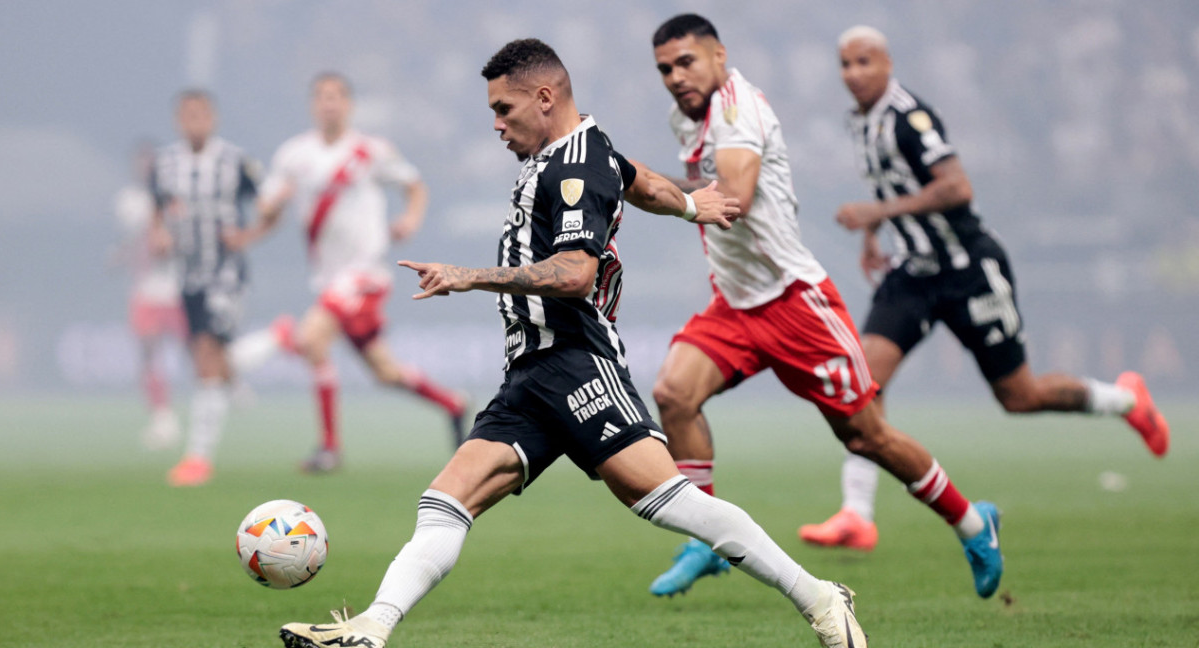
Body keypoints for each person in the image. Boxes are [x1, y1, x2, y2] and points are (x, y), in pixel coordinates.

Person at [277, 39, 866, 648]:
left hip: (576, 361)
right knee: (444, 501)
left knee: (669, 500)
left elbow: (577, 272)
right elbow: (641, 184)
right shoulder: (588, 149)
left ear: (544, 96)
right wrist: (691, 204)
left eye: (504, 110)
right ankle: (370, 630)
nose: (497, 125)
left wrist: (469, 275)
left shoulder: (574, 166)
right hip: (530, 375)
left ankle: (821, 598)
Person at [644, 13, 1004, 600]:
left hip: (795, 303)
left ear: (718, 56)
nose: (675, 77)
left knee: (867, 437)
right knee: (673, 394)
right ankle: (704, 541)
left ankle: (972, 522)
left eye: (686, 62)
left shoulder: (739, 111)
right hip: (735, 304)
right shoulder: (682, 117)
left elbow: (731, 198)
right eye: (664, 68)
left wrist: (641, 183)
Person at [798, 25, 1171, 551]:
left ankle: (1124, 399)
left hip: (969, 268)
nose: (853, 74)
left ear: (887, 63)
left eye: (864, 62)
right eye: (845, 64)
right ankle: (857, 515)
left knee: (1019, 396)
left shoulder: (910, 117)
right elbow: (891, 184)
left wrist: (876, 213)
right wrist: (874, 234)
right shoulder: (860, 121)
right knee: (863, 388)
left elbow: (956, 186)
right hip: (914, 273)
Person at [245, 72, 468, 473]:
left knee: (311, 338)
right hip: (328, 277)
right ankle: (452, 403)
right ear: (313, 104)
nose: (330, 103)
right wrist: (269, 206)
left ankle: (329, 449)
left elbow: (414, 184)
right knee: (384, 371)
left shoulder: (370, 150)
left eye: (337, 96)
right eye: (322, 96)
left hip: (365, 272)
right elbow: (267, 208)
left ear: (349, 104)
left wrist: (411, 219)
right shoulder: (294, 155)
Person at [149, 90, 284, 486]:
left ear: (213, 118)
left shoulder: (234, 161)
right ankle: (276, 340)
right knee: (207, 359)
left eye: (201, 114)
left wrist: (250, 235)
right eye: (187, 115)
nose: (195, 122)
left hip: (225, 273)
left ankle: (197, 458)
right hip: (186, 275)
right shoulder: (166, 162)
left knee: (208, 355)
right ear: (178, 119)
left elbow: (270, 205)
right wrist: (158, 234)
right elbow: (156, 207)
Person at [114, 141, 187, 450]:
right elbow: (135, 240)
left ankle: (230, 385)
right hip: (147, 289)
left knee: (199, 351)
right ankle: (162, 415)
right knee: (148, 351)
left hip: (177, 288)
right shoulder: (130, 200)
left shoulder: (178, 199)